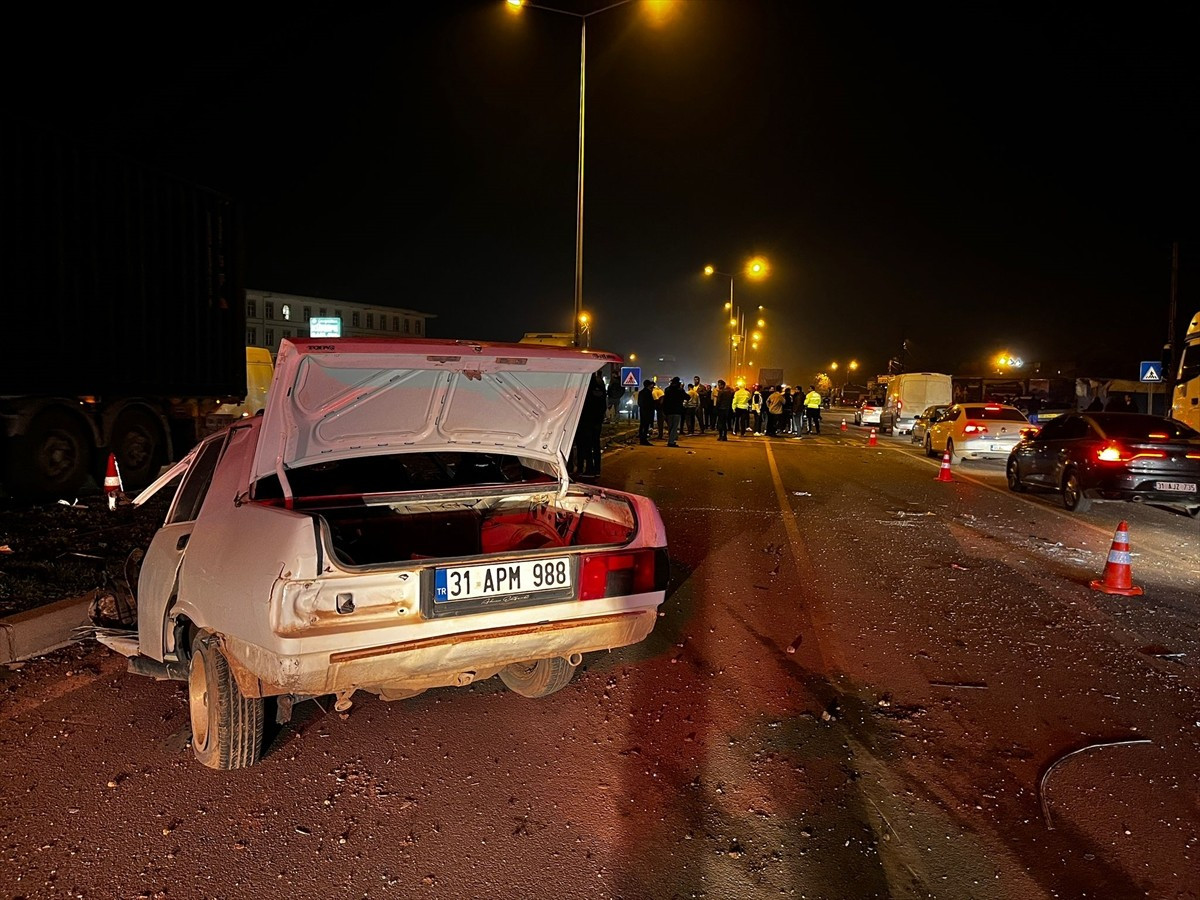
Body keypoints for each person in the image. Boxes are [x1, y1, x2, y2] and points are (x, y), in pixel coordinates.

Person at [576, 372, 607, 478]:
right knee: (595, 445)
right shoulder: (600, 384)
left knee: (586, 445)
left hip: (586, 420)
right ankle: (596, 469)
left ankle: (589, 469)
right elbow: (603, 404)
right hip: (597, 421)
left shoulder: (586, 384)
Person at [662, 376, 687, 447]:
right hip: (677, 411)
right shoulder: (680, 390)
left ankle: (671, 440)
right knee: (674, 427)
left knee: (670, 426)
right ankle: (671, 442)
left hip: (668, 410)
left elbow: (665, 400)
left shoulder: (667, 390)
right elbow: (687, 397)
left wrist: (664, 410)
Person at [637, 379, 657, 445]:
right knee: (646, 425)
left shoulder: (641, 392)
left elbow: (639, 402)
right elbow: (650, 402)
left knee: (642, 424)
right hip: (647, 411)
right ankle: (644, 440)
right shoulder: (648, 392)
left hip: (643, 410)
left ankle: (641, 438)